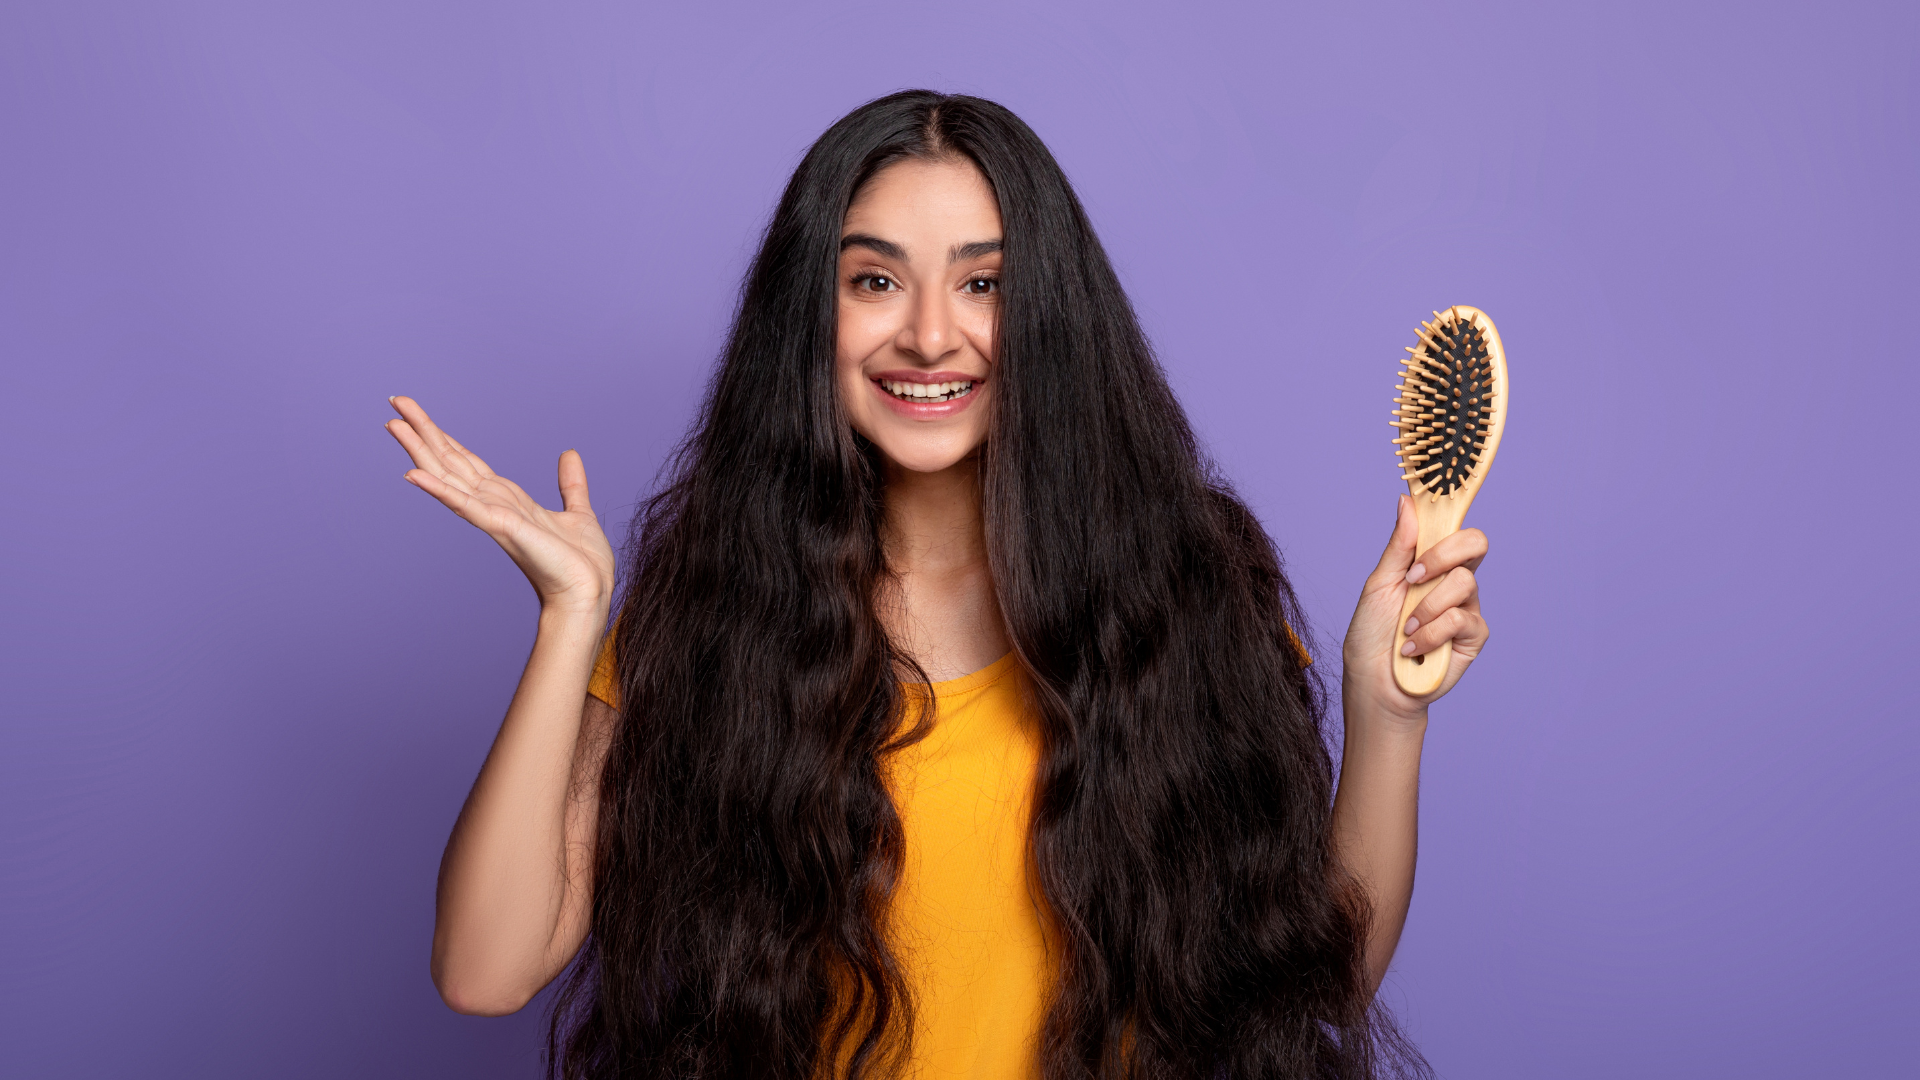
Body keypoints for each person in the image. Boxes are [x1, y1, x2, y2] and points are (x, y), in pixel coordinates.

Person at [384, 91, 1488, 1080]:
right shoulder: (712, 613)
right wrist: (572, 621)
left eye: (983, 284)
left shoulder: (1190, 589)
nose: (926, 335)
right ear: (808, 314)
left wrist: (1388, 715)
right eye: (874, 281)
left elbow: (1315, 985)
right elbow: (485, 970)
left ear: (1050, 314)